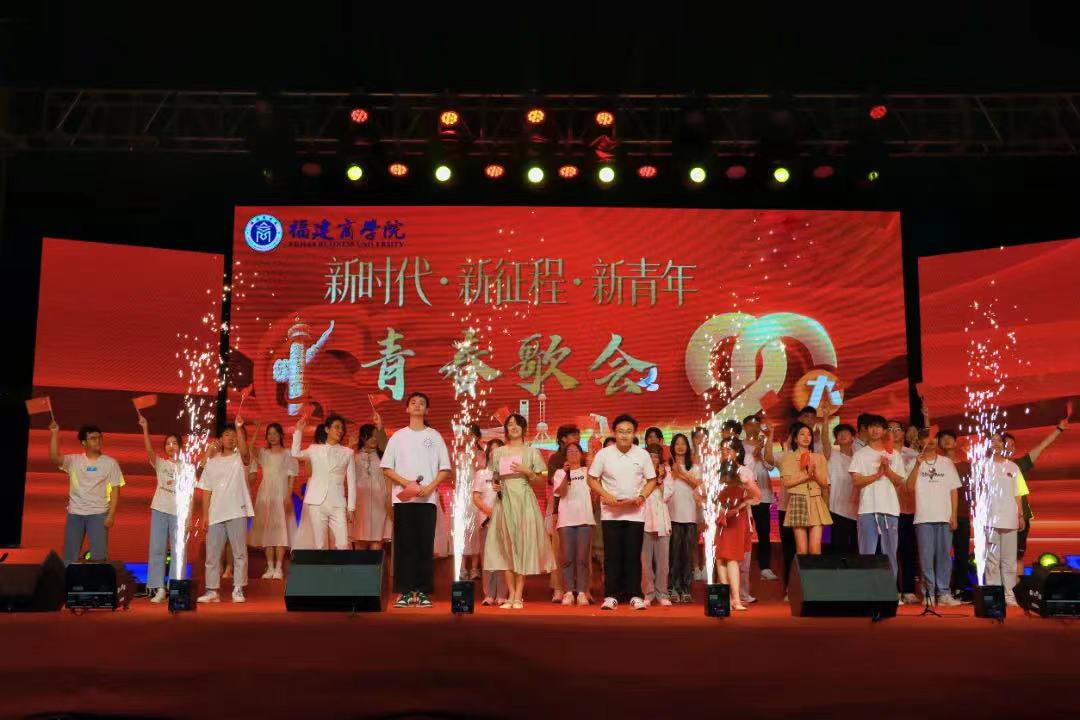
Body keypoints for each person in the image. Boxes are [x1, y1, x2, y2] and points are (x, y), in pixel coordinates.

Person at [382, 392, 452, 609]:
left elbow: (444, 468)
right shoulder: (398, 437)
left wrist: (429, 487)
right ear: (407, 409)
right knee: (404, 546)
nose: (417, 406)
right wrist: (407, 484)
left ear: (427, 410)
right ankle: (404, 591)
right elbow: (387, 468)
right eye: (413, 403)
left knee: (424, 546)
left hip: (427, 500)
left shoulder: (435, 436)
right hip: (403, 500)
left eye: (422, 403)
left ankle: (421, 591)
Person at [484, 414, 556, 609]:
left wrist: (527, 471)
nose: (513, 427)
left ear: (524, 429)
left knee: (523, 544)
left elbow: (540, 480)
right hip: (504, 501)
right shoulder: (498, 452)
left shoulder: (531, 452)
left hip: (524, 500)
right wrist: (495, 485)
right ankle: (510, 594)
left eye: (517, 424)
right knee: (506, 546)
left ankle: (518, 594)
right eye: (510, 424)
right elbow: (495, 477)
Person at [588, 414, 658, 611]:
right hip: (610, 513)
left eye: (628, 432)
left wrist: (642, 496)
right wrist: (605, 495)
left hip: (635, 513)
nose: (624, 435)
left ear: (634, 433)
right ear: (614, 433)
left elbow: (652, 480)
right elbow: (591, 478)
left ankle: (635, 595)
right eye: (621, 432)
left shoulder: (642, 455)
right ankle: (611, 596)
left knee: (633, 555)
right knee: (612, 555)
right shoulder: (604, 455)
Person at [49, 421, 123, 566]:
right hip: (75, 514)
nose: (98, 441)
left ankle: (98, 581)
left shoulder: (110, 463)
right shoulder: (74, 460)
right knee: (69, 557)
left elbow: (115, 491)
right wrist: (54, 434)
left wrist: (111, 515)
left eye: (99, 438)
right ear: (84, 442)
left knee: (99, 558)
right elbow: (54, 458)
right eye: (93, 438)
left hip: (98, 514)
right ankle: (69, 580)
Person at [849, 415, 907, 597]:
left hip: (890, 509)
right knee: (867, 552)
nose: (875, 430)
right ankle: (867, 593)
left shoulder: (894, 454)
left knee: (890, 553)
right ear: (866, 430)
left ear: (884, 431)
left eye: (879, 427)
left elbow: (899, 481)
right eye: (871, 427)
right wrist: (876, 475)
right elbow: (856, 481)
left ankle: (889, 592)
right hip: (867, 509)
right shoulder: (860, 454)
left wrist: (887, 470)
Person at [197, 424, 254, 603]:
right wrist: (205, 515)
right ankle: (212, 590)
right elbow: (206, 490)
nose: (230, 438)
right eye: (227, 435)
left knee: (239, 552)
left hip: (237, 510)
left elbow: (245, 452)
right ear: (221, 439)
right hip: (216, 513)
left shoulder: (240, 459)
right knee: (212, 554)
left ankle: (238, 588)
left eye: (233, 435)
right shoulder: (212, 462)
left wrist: (239, 428)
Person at [904, 431, 962, 607]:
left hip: (944, 517)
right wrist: (917, 465)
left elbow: (954, 490)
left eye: (933, 438)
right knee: (926, 558)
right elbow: (908, 488)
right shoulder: (914, 462)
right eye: (926, 438)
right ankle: (928, 593)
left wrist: (954, 515)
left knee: (944, 557)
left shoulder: (946, 463)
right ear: (920, 442)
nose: (930, 441)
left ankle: (944, 593)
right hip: (923, 518)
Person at [1003, 411, 1069, 565]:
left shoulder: (1020, 464)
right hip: (1001, 519)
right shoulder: (991, 467)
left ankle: (1015, 582)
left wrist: (1059, 429)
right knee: (1002, 556)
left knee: (1018, 557)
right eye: (1006, 444)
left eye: (1013, 445)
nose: (1010, 448)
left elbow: (1041, 446)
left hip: (1021, 518)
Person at [290, 414, 356, 551]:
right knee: (320, 545)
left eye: (342, 428)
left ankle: (340, 566)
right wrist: (298, 431)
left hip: (338, 503)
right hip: (317, 502)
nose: (340, 431)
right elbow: (295, 454)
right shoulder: (314, 449)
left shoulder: (348, 452)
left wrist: (351, 508)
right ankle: (322, 566)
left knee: (343, 544)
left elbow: (351, 482)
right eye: (337, 427)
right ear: (327, 429)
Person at [248, 422, 299, 579]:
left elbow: (292, 476)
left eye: (275, 433)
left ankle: (279, 568)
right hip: (266, 495)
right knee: (268, 533)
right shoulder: (264, 453)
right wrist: (257, 429)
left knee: (280, 532)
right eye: (269, 433)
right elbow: (250, 449)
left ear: (281, 435)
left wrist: (288, 496)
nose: (272, 437)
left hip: (281, 494)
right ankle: (269, 567)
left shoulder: (288, 454)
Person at [137, 416, 179, 602]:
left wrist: (188, 518)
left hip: (178, 512)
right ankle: (159, 588)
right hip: (160, 509)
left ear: (180, 447)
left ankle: (175, 588)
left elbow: (190, 495)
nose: (171, 446)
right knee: (157, 549)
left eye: (174, 443)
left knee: (178, 551)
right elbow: (149, 451)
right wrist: (145, 428)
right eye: (168, 443)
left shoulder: (187, 467)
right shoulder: (161, 463)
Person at [714, 454, 761, 611]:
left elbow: (757, 497)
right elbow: (702, 497)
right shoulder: (717, 486)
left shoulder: (742, 486)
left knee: (731, 560)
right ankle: (728, 599)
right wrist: (727, 510)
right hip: (723, 524)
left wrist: (741, 504)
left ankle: (735, 598)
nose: (727, 478)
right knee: (721, 559)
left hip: (736, 525)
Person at [983, 433, 1025, 606]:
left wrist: (1020, 515)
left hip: (1010, 518)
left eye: (999, 441)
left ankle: (1009, 595)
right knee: (992, 561)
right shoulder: (982, 466)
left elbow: (1018, 493)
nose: (996, 444)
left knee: (1009, 561)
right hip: (990, 519)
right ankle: (994, 596)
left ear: (1003, 444)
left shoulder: (1013, 467)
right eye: (992, 441)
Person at [553, 442, 595, 606]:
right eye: (569, 451)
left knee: (583, 559)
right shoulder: (559, 473)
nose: (573, 453)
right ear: (565, 456)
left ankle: (582, 591)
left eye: (576, 450)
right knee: (567, 558)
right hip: (566, 521)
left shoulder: (586, 471)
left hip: (585, 519)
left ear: (581, 454)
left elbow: (595, 483)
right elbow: (561, 492)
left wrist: (591, 452)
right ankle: (569, 592)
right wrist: (566, 472)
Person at [779, 423, 831, 555]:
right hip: (798, 499)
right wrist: (807, 476)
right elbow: (787, 482)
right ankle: (802, 569)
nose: (806, 437)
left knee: (815, 548)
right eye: (802, 434)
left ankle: (815, 569)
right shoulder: (789, 458)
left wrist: (815, 473)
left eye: (809, 435)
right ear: (795, 439)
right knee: (801, 549)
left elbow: (825, 484)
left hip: (816, 499)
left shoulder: (819, 457)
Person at [471, 438, 509, 606]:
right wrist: (490, 512)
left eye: (498, 450)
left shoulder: (508, 474)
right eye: (492, 450)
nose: (494, 453)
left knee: (503, 557)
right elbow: (476, 498)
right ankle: (489, 593)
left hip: (504, 520)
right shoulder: (482, 473)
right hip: (486, 520)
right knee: (487, 557)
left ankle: (502, 593)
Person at [936, 429, 972, 597]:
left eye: (950, 438)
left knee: (961, 553)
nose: (946, 441)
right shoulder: (935, 465)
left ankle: (960, 587)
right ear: (938, 443)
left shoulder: (966, 466)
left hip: (962, 514)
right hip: (941, 514)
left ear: (956, 442)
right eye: (943, 438)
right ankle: (941, 588)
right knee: (941, 553)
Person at [741, 414, 777, 581]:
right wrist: (754, 455)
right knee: (744, 532)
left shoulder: (765, 443)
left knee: (764, 531)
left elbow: (770, 466)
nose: (754, 428)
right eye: (750, 424)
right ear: (744, 427)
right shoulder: (740, 445)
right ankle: (741, 566)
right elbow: (739, 467)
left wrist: (767, 443)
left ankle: (765, 567)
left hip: (763, 494)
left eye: (757, 424)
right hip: (745, 496)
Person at [667, 433, 701, 603]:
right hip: (671, 516)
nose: (680, 447)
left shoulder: (694, 467)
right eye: (677, 444)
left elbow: (697, 484)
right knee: (673, 555)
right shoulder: (667, 468)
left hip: (689, 516)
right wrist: (673, 473)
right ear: (672, 447)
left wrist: (681, 474)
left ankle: (686, 588)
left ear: (687, 447)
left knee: (687, 555)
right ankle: (673, 587)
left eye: (683, 444)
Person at [889, 419, 921, 604]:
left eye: (897, 429)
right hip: (888, 508)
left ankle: (908, 590)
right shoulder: (882, 454)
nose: (894, 431)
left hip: (908, 508)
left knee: (908, 550)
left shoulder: (913, 455)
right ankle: (891, 589)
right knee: (889, 551)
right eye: (889, 428)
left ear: (903, 432)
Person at [641, 445, 674, 606]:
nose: (652, 459)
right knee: (645, 561)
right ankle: (648, 592)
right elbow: (641, 493)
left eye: (655, 456)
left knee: (663, 562)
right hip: (645, 520)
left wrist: (659, 479)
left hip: (662, 521)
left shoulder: (666, 474)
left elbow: (667, 495)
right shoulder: (640, 474)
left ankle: (662, 593)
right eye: (650, 456)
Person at [351, 422, 392, 551]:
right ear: (363, 438)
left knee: (376, 542)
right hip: (360, 503)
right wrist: (350, 447)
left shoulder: (383, 457)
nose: (374, 439)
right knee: (359, 542)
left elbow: (389, 478)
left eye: (376, 436)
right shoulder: (354, 457)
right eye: (371, 436)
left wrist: (389, 496)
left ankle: (376, 564)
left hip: (379, 503)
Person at [821, 415, 859, 556]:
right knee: (838, 547)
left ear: (853, 437)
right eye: (839, 434)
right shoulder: (832, 454)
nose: (842, 435)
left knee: (856, 549)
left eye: (845, 433)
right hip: (837, 508)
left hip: (857, 509)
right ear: (836, 439)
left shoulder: (859, 457)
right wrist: (825, 417)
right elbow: (824, 439)